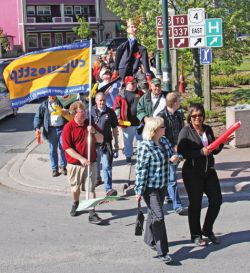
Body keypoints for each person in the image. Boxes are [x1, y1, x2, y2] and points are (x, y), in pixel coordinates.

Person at [177, 103, 233, 246]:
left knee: (217, 201)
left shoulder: (207, 129)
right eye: (194, 115)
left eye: (200, 115)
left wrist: (221, 143)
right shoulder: (185, 132)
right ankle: (196, 235)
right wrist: (200, 152)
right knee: (195, 204)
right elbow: (182, 153)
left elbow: (213, 150)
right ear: (190, 117)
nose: (198, 118)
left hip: (209, 171)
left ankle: (207, 229)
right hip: (192, 173)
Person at [134, 116, 179, 264]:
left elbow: (172, 154)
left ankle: (148, 239)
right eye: (162, 127)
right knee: (159, 216)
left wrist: (175, 157)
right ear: (155, 130)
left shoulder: (164, 141)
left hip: (162, 185)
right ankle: (163, 252)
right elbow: (141, 171)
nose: (165, 128)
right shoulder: (144, 147)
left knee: (154, 214)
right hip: (150, 188)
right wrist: (138, 191)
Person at [62, 101, 104, 224]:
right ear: (75, 114)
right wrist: (81, 158)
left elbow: (101, 139)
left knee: (91, 188)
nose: (85, 114)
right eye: (82, 112)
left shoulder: (90, 124)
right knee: (75, 188)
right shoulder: (68, 127)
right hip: (75, 165)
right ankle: (76, 203)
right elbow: (67, 148)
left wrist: (94, 132)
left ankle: (92, 213)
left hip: (91, 163)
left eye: (85, 111)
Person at [157, 92, 185, 215]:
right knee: (172, 178)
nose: (180, 102)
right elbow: (158, 136)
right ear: (174, 103)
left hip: (177, 150)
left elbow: (182, 131)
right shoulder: (161, 116)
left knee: (170, 177)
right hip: (166, 151)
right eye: (179, 100)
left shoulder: (178, 115)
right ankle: (177, 205)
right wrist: (169, 147)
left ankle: (168, 195)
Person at [91, 92, 119, 196]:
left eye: (103, 100)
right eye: (100, 100)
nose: (102, 102)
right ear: (96, 101)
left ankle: (108, 189)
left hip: (106, 143)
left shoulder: (110, 112)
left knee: (107, 166)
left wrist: (116, 143)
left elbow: (115, 128)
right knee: (95, 165)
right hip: (94, 143)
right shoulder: (90, 112)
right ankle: (98, 179)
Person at [33, 96, 67, 177]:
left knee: (63, 148)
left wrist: (67, 111)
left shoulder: (62, 102)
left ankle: (63, 166)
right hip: (51, 129)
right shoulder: (44, 104)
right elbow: (38, 116)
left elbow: (70, 111)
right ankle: (54, 169)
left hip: (62, 128)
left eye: (54, 93)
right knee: (52, 150)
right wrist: (37, 127)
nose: (52, 96)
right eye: (50, 94)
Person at [113, 76, 144, 163]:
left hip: (139, 122)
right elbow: (116, 108)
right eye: (132, 83)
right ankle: (128, 156)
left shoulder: (140, 93)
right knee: (128, 141)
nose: (135, 85)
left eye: (135, 82)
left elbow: (145, 104)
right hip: (127, 123)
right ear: (127, 84)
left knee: (141, 141)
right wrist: (118, 118)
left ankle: (141, 157)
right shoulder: (120, 95)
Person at [112, 18, 151, 84]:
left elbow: (145, 63)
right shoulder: (122, 47)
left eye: (135, 27)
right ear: (127, 30)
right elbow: (118, 57)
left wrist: (148, 76)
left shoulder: (141, 48)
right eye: (132, 27)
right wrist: (115, 70)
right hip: (123, 71)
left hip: (134, 72)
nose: (134, 29)